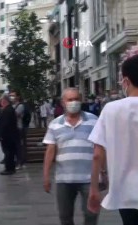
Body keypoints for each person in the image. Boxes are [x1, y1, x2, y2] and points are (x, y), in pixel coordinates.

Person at [87, 54, 138, 225]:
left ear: (125, 81)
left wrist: (94, 189)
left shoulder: (111, 110)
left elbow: (97, 154)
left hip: (126, 193)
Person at [42, 88, 99, 225]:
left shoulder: (93, 120)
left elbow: (100, 148)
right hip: (64, 179)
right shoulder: (55, 124)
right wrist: (46, 176)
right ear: (63, 102)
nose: (74, 102)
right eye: (70, 100)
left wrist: (103, 172)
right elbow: (50, 151)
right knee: (65, 216)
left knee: (91, 215)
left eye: (76, 99)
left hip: (89, 179)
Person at [0, 94, 19, 175]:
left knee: (8, 152)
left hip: (8, 136)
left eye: (1, 100)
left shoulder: (8, 110)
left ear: (5, 101)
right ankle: (10, 168)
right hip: (9, 135)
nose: (0, 102)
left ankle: (9, 169)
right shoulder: (8, 109)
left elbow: (5, 124)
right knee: (9, 152)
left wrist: (0, 134)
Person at [9, 91, 26, 169]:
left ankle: (20, 163)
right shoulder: (12, 105)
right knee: (13, 146)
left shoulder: (20, 106)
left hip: (18, 128)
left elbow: (15, 115)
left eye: (13, 96)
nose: (11, 97)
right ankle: (15, 162)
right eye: (10, 96)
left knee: (18, 146)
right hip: (12, 128)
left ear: (18, 97)